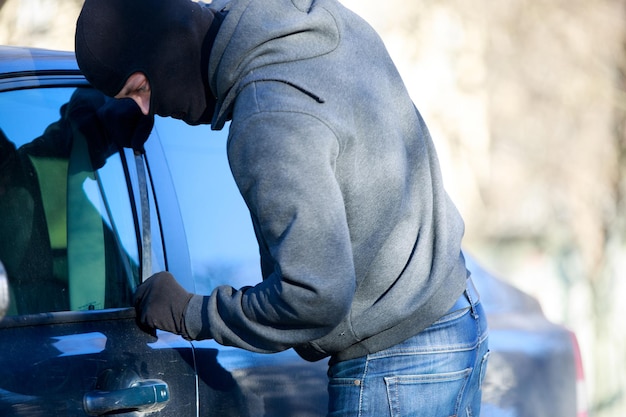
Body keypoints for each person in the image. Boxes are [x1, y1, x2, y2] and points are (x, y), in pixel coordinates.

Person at [74, 0, 489, 415]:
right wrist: (79, 137)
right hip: (454, 315)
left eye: (140, 89)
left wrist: (189, 312)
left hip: (394, 364)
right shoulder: (300, 19)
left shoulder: (267, 121)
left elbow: (312, 296)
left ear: (165, 56)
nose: (145, 108)